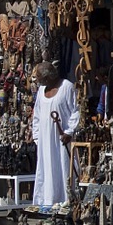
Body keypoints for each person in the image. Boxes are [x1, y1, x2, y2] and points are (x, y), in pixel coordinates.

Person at [31, 62, 79, 206]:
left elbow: (75, 111)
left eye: (39, 77)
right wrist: (38, 137)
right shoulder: (41, 91)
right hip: (45, 141)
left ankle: (66, 201)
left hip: (62, 140)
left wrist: (69, 132)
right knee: (46, 170)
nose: (37, 81)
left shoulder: (67, 87)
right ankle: (46, 202)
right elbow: (37, 115)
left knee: (63, 168)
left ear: (48, 77)